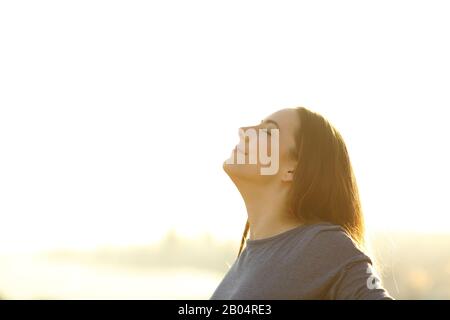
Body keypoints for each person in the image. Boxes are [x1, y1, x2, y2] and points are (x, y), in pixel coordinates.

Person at [210, 107, 393, 300]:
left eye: (269, 132)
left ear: (292, 170)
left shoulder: (326, 245)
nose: (245, 131)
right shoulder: (251, 255)